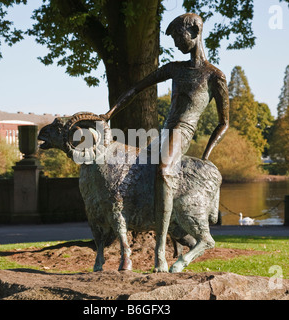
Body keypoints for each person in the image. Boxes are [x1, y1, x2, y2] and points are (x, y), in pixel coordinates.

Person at [100, 13, 229, 272]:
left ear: (193, 32)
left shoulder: (214, 76)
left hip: (182, 132)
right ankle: (182, 240)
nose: (175, 43)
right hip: (163, 133)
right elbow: (137, 88)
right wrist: (109, 114)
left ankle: (159, 253)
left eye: (178, 36)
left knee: (163, 171)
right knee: (135, 173)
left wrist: (206, 155)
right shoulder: (174, 68)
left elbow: (223, 123)